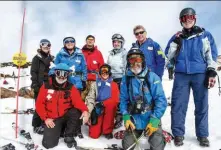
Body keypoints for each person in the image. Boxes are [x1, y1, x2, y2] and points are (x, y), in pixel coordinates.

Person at [165, 8, 218, 147]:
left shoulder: (204, 35)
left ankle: (202, 135)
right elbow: (168, 55)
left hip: (200, 74)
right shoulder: (177, 37)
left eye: (190, 17)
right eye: (184, 18)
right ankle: (178, 134)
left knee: (201, 105)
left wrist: (211, 70)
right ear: (181, 21)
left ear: (195, 18)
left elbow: (211, 54)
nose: (187, 20)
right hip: (181, 75)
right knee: (178, 105)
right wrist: (170, 65)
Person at [120, 47, 167, 150]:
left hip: (150, 117)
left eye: (138, 59)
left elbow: (161, 101)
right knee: (126, 147)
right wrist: (126, 117)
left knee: (157, 147)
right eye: (132, 60)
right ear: (128, 62)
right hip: (134, 120)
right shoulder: (126, 79)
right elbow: (123, 100)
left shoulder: (153, 77)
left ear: (143, 61)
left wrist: (155, 120)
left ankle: (160, 134)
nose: (135, 63)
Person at [36, 63, 89, 149]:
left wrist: (85, 110)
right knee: (48, 144)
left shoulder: (71, 87)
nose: (61, 76)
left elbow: (78, 102)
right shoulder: (46, 86)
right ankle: (59, 130)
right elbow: (39, 104)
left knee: (76, 112)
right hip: (52, 118)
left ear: (68, 75)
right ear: (55, 73)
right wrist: (46, 118)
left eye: (64, 74)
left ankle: (69, 135)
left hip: (65, 115)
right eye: (59, 73)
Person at [52, 37, 87, 138]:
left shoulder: (80, 54)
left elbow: (84, 68)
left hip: (76, 82)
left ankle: (77, 128)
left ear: (74, 43)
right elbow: (54, 67)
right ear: (64, 44)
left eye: (71, 41)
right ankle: (64, 127)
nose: (69, 43)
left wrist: (84, 80)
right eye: (67, 42)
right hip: (64, 83)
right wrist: (52, 79)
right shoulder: (60, 54)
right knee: (65, 105)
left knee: (78, 106)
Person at [85, 64, 119, 139]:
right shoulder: (95, 84)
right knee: (93, 135)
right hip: (97, 108)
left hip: (108, 108)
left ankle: (107, 130)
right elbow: (90, 98)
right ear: (99, 73)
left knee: (111, 106)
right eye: (102, 72)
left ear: (109, 73)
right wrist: (89, 112)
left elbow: (115, 99)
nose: (104, 74)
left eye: (106, 72)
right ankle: (97, 126)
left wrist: (103, 103)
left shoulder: (114, 85)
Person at [30, 39, 54, 135]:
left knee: (48, 104)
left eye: (48, 45)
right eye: (43, 45)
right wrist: (35, 84)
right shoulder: (36, 58)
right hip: (39, 84)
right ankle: (36, 125)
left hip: (49, 85)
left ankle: (44, 122)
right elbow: (33, 72)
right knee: (39, 105)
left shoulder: (52, 58)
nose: (46, 47)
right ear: (40, 46)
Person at [107, 33, 127, 129]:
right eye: (114, 42)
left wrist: (124, 79)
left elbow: (127, 67)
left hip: (120, 78)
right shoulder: (110, 54)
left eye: (118, 42)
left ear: (122, 43)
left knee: (119, 99)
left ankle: (119, 118)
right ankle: (111, 117)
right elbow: (108, 66)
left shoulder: (124, 53)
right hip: (111, 79)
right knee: (111, 98)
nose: (116, 44)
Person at [81, 35, 104, 100]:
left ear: (94, 41)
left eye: (92, 40)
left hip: (94, 78)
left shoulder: (98, 53)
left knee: (93, 96)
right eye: (88, 39)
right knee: (82, 97)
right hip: (83, 78)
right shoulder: (80, 52)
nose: (90, 41)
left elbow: (102, 66)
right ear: (86, 41)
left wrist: (101, 78)